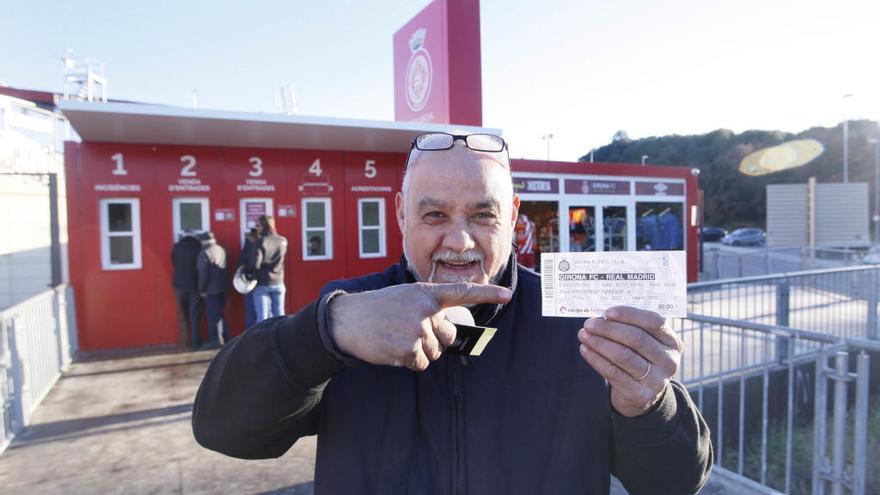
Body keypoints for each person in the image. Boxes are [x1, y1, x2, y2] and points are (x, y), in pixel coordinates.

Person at [193, 132, 712, 494]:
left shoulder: (578, 320)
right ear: (400, 214)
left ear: (511, 217)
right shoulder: (350, 314)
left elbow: (675, 481)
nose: (459, 241)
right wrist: (324, 333)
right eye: (434, 214)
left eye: (483, 215)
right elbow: (224, 431)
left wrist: (649, 405)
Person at [248, 215, 288, 322]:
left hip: (263, 283)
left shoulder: (260, 242)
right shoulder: (283, 240)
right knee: (280, 316)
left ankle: (263, 339)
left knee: (263, 318)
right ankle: (282, 338)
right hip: (279, 281)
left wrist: (248, 273)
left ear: (261, 226)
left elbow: (255, 264)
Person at [197, 231, 229, 346]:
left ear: (203, 241)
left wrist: (202, 290)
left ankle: (215, 340)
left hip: (211, 290)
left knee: (212, 316)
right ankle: (225, 337)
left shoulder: (204, 253)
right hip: (222, 287)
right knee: (221, 315)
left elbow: (203, 274)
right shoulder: (221, 249)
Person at [171, 230, 202, 349]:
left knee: (183, 315)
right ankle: (195, 343)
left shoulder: (176, 247)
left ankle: (184, 342)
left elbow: (173, 262)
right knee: (194, 314)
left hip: (179, 285)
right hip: (194, 285)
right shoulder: (198, 247)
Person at [238, 227, 260, 329]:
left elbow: (241, 264)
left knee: (251, 311)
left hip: (248, 283)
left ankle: (250, 334)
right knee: (262, 312)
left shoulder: (247, 247)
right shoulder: (260, 245)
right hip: (261, 282)